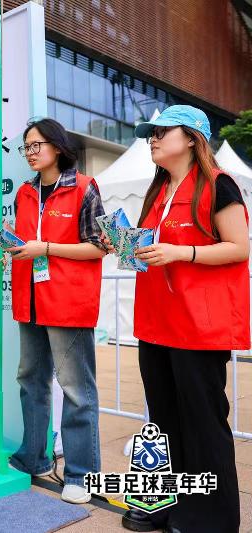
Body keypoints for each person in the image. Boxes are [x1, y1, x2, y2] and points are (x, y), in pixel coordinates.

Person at [105, 106, 248, 533]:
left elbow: (239, 247)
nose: (152, 139)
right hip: (156, 322)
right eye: (150, 133)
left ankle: (210, 518)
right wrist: (125, 246)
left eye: (161, 132)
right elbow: (154, 249)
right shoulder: (158, 190)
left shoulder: (219, 185)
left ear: (190, 137)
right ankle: (162, 503)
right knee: (163, 421)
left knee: (202, 421)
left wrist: (180, 252)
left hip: (198, 325)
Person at [7, 118, 106, 504]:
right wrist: (15, 245)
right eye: (26, 147)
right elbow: (28, 242)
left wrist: (44, 248)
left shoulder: (83, 187)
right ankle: (33, 458)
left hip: (69, 302)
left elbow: (99, 246)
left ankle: (82, 474)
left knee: (76, 389)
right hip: (30, 300)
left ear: (58, 147)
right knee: (30, 379)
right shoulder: (25, 192)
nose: (30, 153)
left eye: (37, 145)